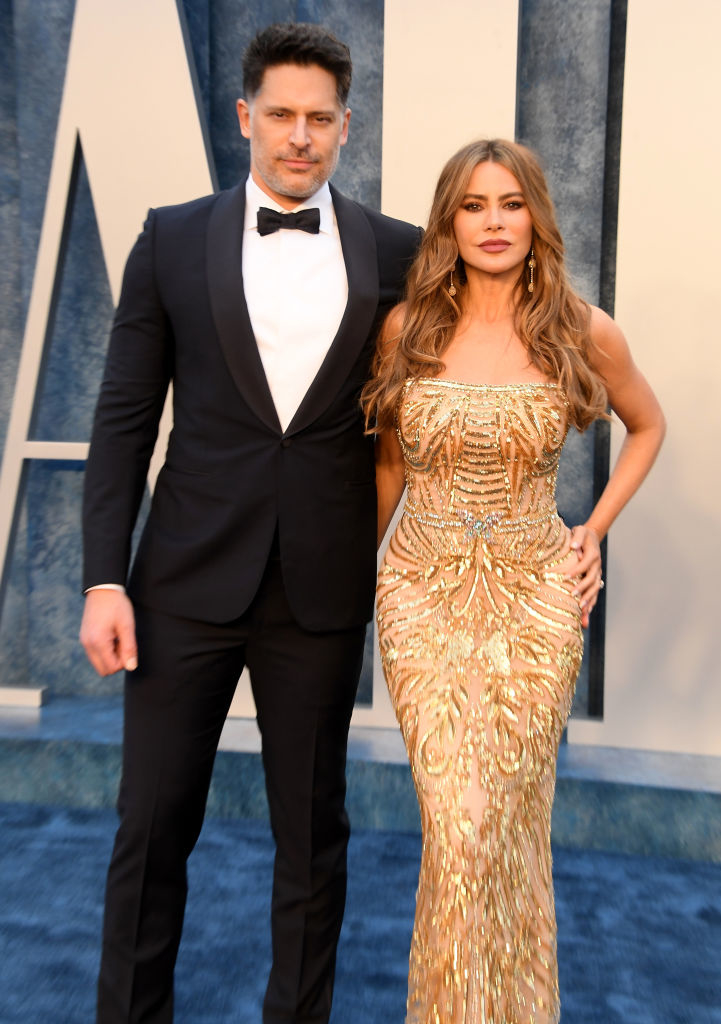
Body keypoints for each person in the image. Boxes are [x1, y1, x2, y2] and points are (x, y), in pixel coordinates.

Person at [79, 22, 420, 1024]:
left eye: (320, 117)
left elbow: (455, 393)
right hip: (181, 585)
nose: (299, 135)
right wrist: (104, 577)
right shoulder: (171, 238)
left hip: (321, 590)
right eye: (281, 114)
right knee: (151, 828)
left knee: (313, 837)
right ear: (244, 117)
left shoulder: (399, 252)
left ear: (347, 126)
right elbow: (123, 422)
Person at [362, 139, 665, 1023]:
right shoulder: (407, 327)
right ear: (447, 223)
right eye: (472, 205)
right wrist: (348, 585)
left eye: (509, 203)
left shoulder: (581, 328)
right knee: (456, 827)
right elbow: (389, 467)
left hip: (535, 603)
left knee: (503, 822)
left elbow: (647, 425)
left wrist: (593, 530)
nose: (492, 222)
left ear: (535, 216)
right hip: (419, 598)